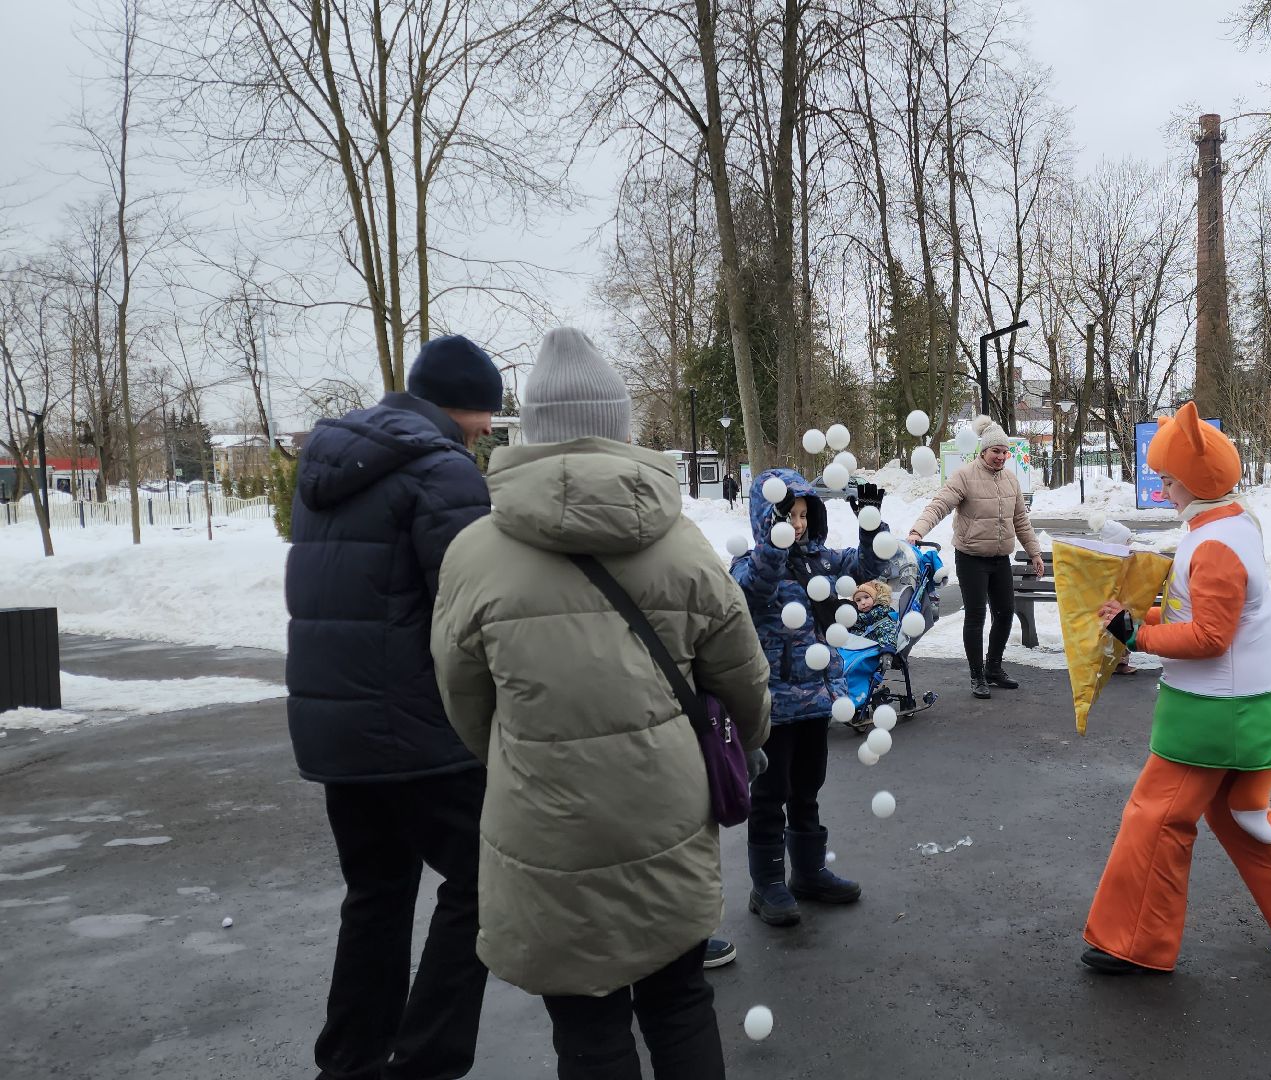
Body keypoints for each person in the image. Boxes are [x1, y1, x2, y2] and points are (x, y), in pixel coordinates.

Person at [431, 327, 771, 1080]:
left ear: (533, 428)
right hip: (667, 816)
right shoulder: (682, 547)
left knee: (586, 1028)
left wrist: (524, 756)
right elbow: (744, 687)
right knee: (680, 1005)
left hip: (543, 825)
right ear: (619, 427)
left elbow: (463, 702)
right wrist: (732, 753)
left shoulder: (474, 555)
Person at [1080, 402, 1271, 975]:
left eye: (1168, 480)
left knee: (1155, 819)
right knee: (1236, 818)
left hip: (1214, 716)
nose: (1165, 491)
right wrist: (1148, 615)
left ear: (1193, 480)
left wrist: (1136, 633)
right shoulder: (1230, 525)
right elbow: (1208, 613)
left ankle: (1133, 942)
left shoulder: (1212, 543)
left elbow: (1211, 636)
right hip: (1243, 709)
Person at [285, 333, 500, 1080]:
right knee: (484, 881)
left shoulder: (330, 463)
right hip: (414, 730)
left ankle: (348, 1062)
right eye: (486, 420)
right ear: (465, 408)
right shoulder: (442, 472)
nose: (487, 435)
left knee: (376, 893)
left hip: (334, 730)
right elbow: (469, 611)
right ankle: (426, 1063)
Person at [733, 468, 889, 926]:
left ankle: (809, 872)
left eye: (803, 515)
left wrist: (871, 524)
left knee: (807, 786)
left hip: (817, 697)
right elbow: (757, 585)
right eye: (788, 514)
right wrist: (775, 544)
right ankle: (767, 885)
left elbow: (868, 568)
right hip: (774, 703)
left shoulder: (819, 560)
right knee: (770, 792)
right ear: (768, 516)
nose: (797, 523)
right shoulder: (750, 562)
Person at [907, 415, 1044, 699]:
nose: (1001, 457)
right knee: (976, 616)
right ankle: (976, 675)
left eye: (1004, 452)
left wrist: (1035, 553)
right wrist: (917, 531)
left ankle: (994, 667)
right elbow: (940, 505)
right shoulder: (965, 476)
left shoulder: (1010, 480)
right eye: (996, 451)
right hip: (971, 557)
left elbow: (1021, 520)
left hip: (999, 558)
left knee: (1005, 613)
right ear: (983, 451)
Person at [851, 579, 899, 649]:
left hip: (878, 650)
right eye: (858, 600)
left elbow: (889, 631)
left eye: (866, 597)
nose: (863, 602)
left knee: (886, 627)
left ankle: (887, 649)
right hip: (858, 652)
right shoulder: (856, 618)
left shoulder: (882, 614)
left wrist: (887, 649)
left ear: (875, 598)